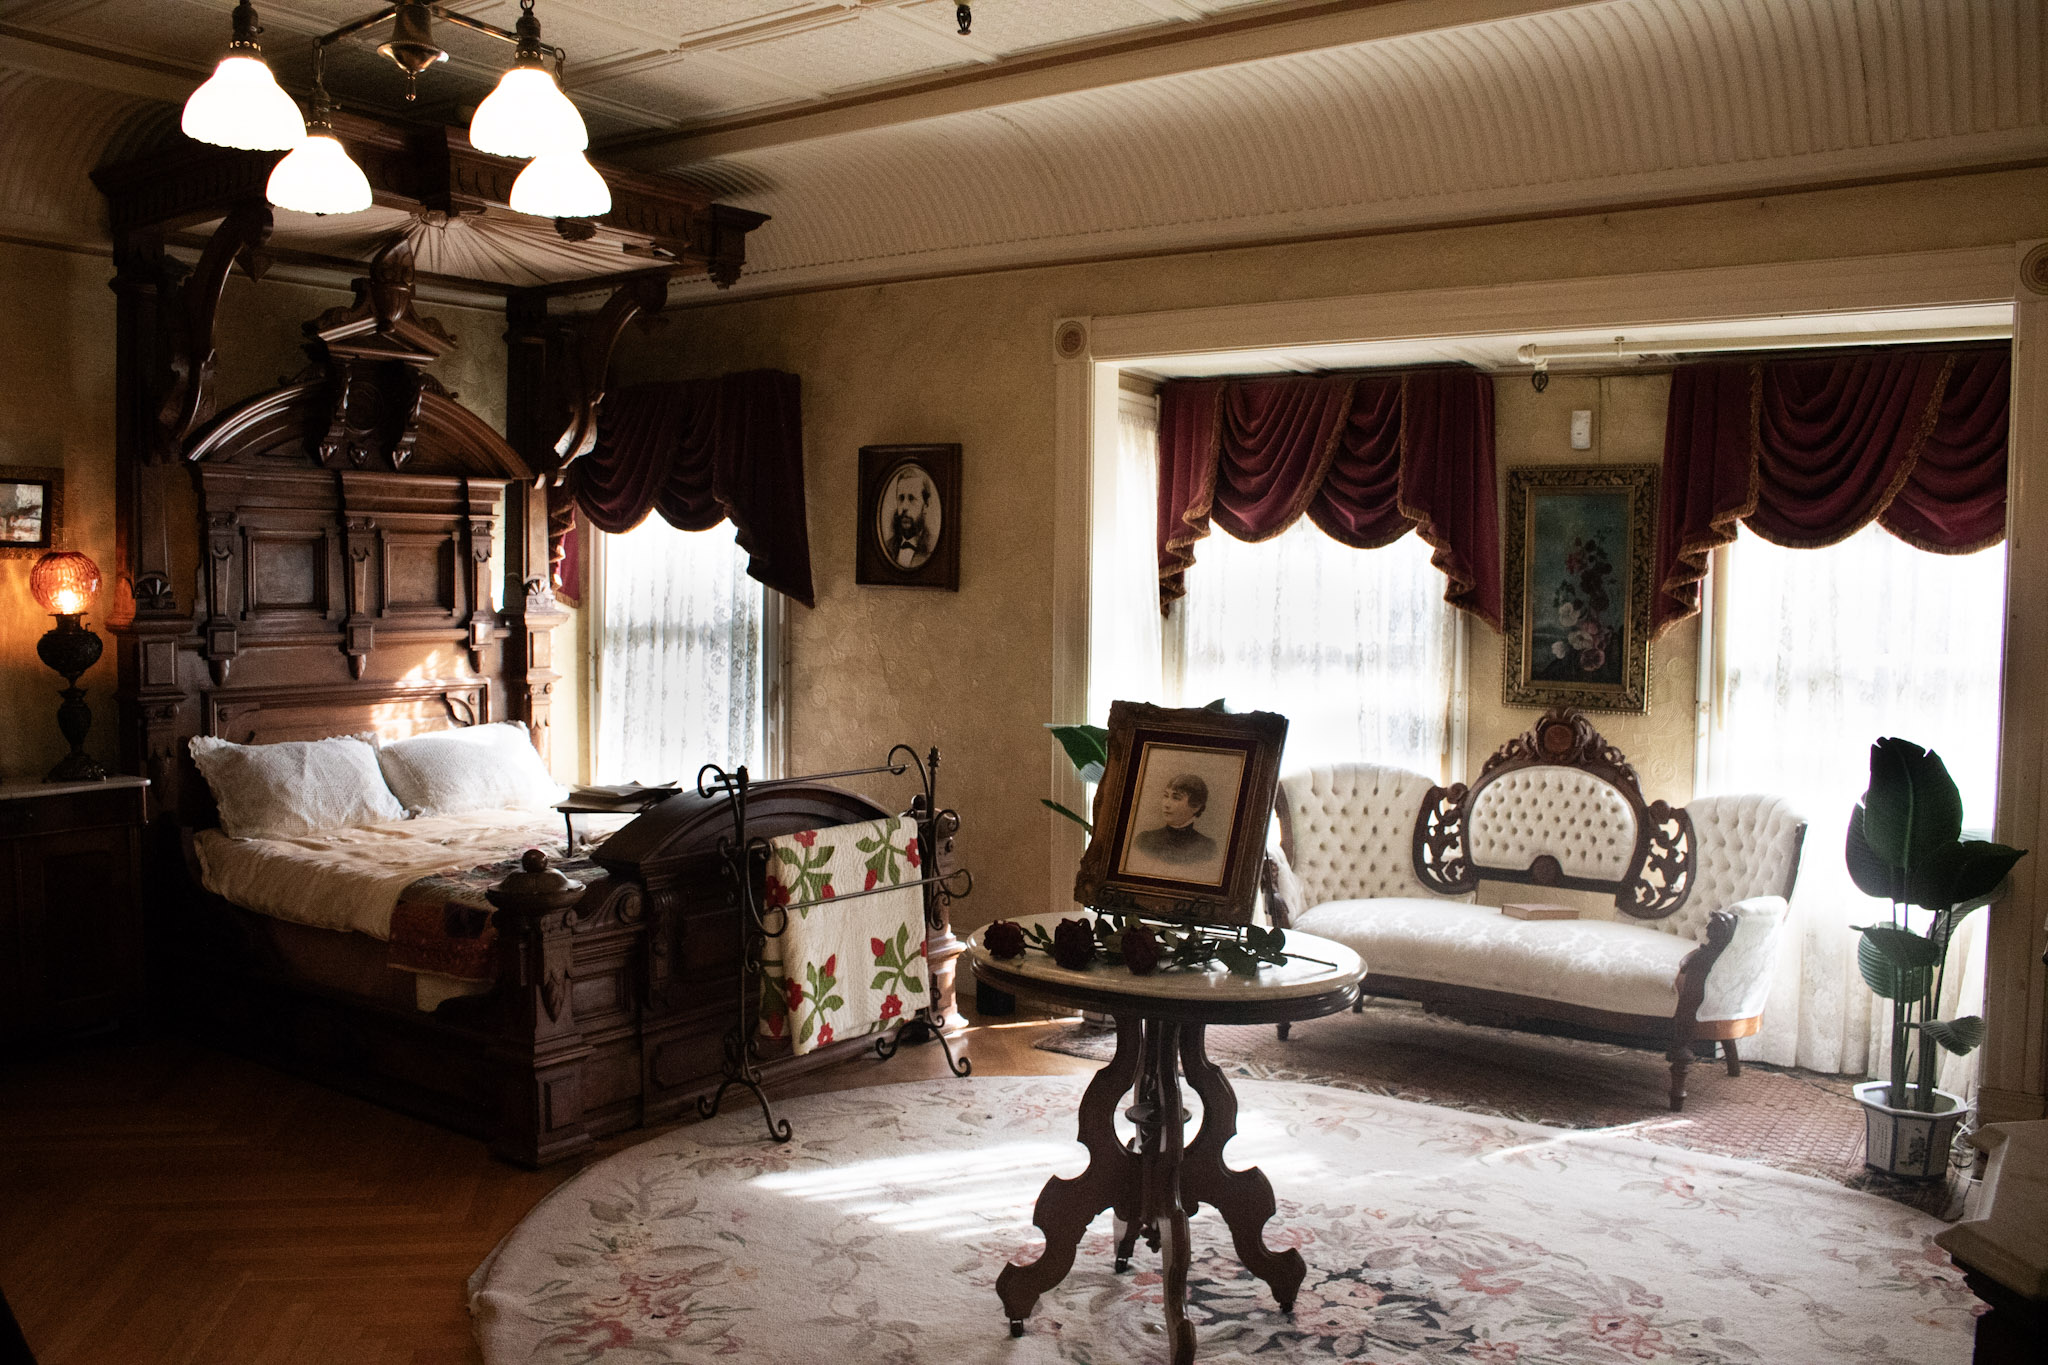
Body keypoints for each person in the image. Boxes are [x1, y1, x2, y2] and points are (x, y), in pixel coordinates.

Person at [1131, 773, 1219, 868]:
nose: (1166, 804)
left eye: (1176, 798)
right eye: (1166, 796)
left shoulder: (1208, 848)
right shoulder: (1144, 840)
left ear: (1196, 806)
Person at [884, 466, 936, 569]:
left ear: (926, 505)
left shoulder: (934, 549)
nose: (904, 507)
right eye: (901, 498)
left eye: (911, 498)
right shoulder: (887, 548)